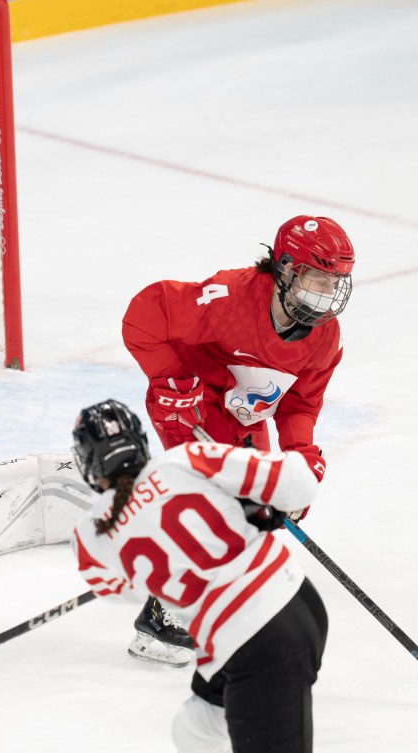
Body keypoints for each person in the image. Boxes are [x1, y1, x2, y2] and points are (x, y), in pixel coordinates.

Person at [119, 215, 353, 664]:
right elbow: (143, 315)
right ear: (285, 269)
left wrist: (300, 460)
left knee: (258, 509)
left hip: (242, 415)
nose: (326, 294)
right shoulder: (230, 298)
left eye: (335, 283)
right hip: (192, 404)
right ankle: (165, 618)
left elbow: (300, 404)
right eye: (317, 279)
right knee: (222, 505)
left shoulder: (325, 339)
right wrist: (172, 384)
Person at [72, 399, 328, 753]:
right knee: (194, 732)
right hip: (294, 600)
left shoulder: (90, 534)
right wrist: (252, 507)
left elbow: (122, 593)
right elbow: (299, 484)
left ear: (87, 460)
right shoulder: (185, 459)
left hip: (256, 641)